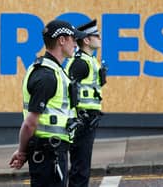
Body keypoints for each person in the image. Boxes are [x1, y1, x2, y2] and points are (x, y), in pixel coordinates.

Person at [9, 20, 86, 187]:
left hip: (51, 152)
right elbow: (30, 123)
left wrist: (24, 150)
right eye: (73, 39)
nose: (76, 43)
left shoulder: (51, 70)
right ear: (62, 40)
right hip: (49, 154)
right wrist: (22, 151)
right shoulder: (47, 76)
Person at [65, 19, 107, 187]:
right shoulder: (81, 63)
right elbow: (68, 91)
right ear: (87, 40)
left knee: (82, 165)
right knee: (80, 167)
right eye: (96, 35)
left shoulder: (89, 60)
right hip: (82, 118)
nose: (100, 37)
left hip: (88, 118)